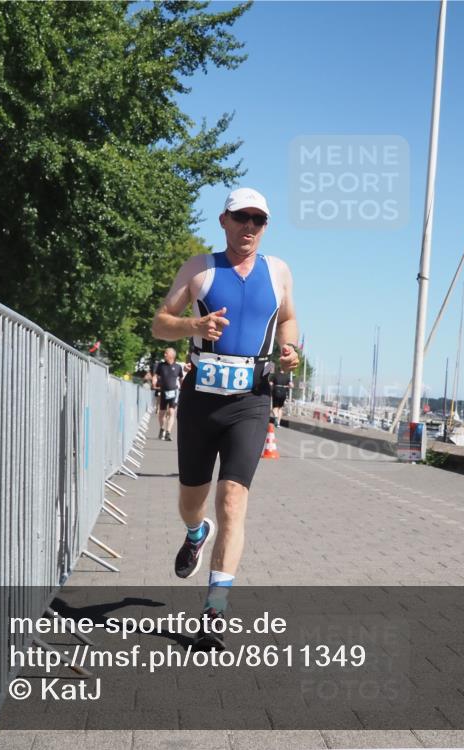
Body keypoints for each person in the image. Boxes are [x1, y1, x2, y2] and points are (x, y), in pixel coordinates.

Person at [151, 187, 299, 650]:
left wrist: (292, 350)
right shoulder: (200, 268)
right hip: (200, 400)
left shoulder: (278, 272)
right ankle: (195, 533)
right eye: (241, 218)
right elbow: (159, 322)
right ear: (224, 221)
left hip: (250, 401)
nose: (248, 227)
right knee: (192, 501)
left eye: (258, 219)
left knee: (232, 499)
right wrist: (193, 326)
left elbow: (290, 319)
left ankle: (215, 608)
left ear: (265, 226)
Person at [152, 347, 184, 441]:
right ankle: (162, 429)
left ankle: (168, 432)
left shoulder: (178, 367)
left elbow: (181, 378)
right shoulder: (160, 366)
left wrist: (183, 388)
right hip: (163, 392)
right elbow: (155, 376)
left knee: (171, 411)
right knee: (162, 413)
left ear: (172, 355)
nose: (164, 355)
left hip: (174, 392)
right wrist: (154, 382)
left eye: (166, 353)